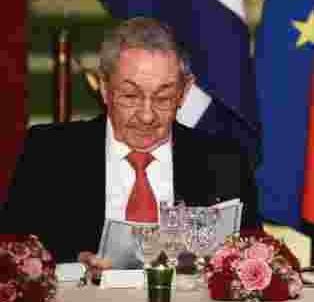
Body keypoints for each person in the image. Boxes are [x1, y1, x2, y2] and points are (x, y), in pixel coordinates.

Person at [1, 17, 261, 265]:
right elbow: (14, 255)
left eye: (163, 98)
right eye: (130, 96)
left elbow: (252, 256)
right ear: (104, 87)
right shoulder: (49, 153)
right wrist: (73, 266)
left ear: (184, 92)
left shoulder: (225, 160)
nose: (146, 116)